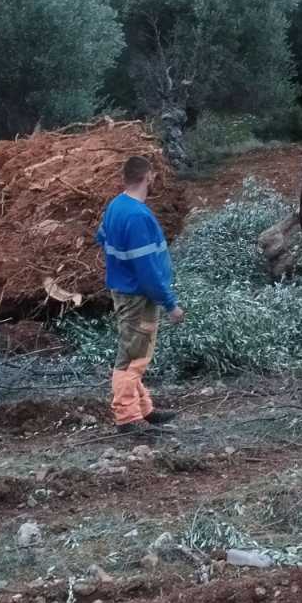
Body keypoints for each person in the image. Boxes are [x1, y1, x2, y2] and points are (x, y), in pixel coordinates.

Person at [95, 156, 185, 434]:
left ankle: (143, 409)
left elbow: (102, 237)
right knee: (133, 357)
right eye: (154, 176)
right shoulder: (138, 216)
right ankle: (127, 417)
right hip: (138, 296)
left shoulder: (116, 206)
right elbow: (147, 270)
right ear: (148, 177)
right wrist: (170, 304)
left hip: (124, 290)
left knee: (135, 351)